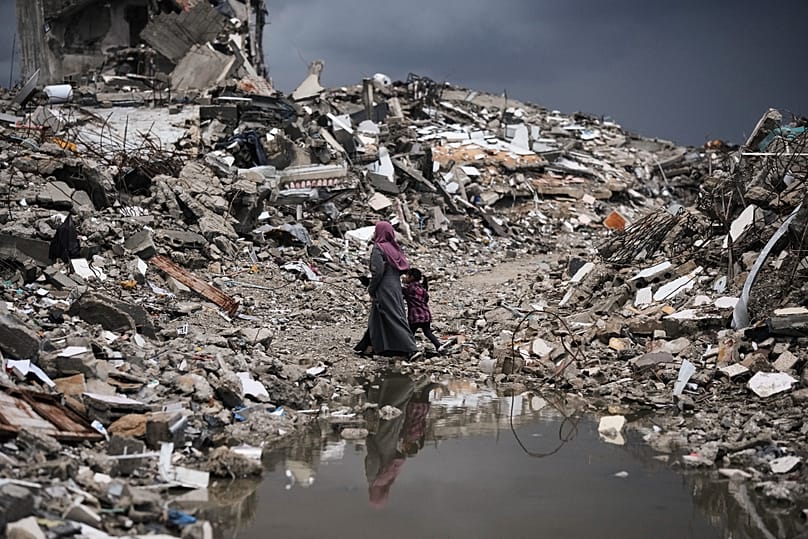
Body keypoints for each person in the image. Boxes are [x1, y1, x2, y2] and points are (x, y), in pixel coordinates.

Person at [354, 221, 420, 359]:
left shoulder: (378, 248)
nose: (374, 233)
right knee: (377, 317)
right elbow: (402, 267)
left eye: (375, 230)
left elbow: (377, 272)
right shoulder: (394, 248)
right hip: (395, 286)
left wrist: (371, 288)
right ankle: (370, 346)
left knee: (393, 317)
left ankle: (411, 348)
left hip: (384, 288)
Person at [402, 268, 443, 354]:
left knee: (410, 334)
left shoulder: (410, 288)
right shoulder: (422, 288)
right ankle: (439, 346)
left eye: (407, 276)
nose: (405, 277)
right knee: (428, 332)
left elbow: (402, 292)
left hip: (415, 316)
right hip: (426, 314)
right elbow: (426, 299)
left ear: (411, 277)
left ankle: (411, 350)